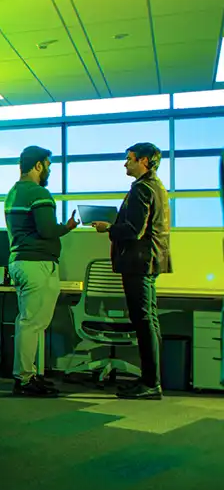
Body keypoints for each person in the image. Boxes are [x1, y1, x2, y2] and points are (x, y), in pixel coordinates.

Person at [89, 142, 171, 401]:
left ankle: (150, 384)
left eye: (130, 159)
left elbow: (133, 230)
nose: (126, 163)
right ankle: (150, 380)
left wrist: (108, 228)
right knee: (149, 321)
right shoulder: (155, 187)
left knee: (144, 321)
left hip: (138, 263)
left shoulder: (142, 189)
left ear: (144, 161)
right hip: (148, 261)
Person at [4, 146, 78, 397]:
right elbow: (47, 230)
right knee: (32, 324)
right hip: (37, 265)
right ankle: (24, 380)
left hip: (19, 262)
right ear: (38, 165)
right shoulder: (39, 193)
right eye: (48, 164)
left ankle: (28, 375)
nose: (49, 169)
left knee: (27, 322)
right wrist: (67, 227)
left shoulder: (13, 192)